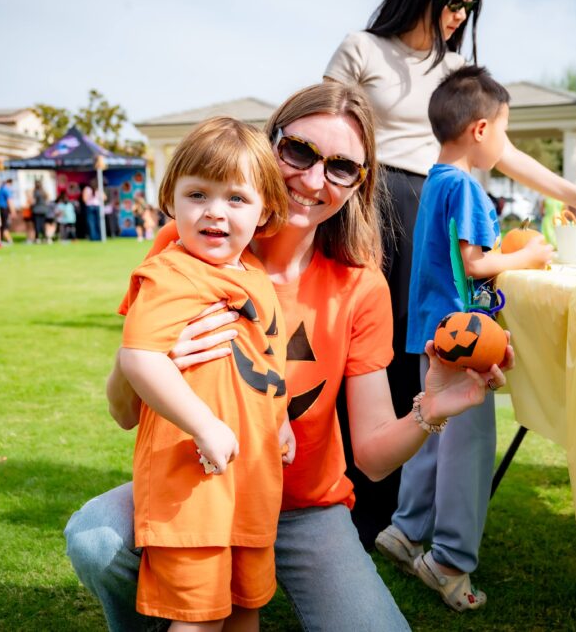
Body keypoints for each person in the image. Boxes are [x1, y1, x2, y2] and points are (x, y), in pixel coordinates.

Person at [64, 82, 511, 632]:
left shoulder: (360, 286)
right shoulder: (190, 246)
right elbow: (124, 411)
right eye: (299, 152)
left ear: (359, 182)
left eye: (342, 167)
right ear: (269, 146)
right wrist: (152, 360)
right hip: (203, 481)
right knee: (97, 540)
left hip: (305, 509)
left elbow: (370, 457)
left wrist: (435, 405)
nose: (314, 180)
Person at [323, 0, 576, 547]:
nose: (461, 13)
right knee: (361, 349)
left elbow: (502, 151)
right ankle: (344, 498)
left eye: (470, 3)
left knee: (420, 355)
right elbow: (326, 124)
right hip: (367, 204)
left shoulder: (456, 71)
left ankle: (395, 514)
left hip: (429, 209)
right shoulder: (360, 48)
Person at [375, 67, 552, 612]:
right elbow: (476, 264)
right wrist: (530, 255)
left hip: (431, 328)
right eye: (505, 130)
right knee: (469, 446)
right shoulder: (469, 188)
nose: (505, 143)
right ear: (480, 130)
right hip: (465, 334)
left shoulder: (434, 182)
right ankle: (448, 559)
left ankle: (405, 530)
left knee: (432, 427)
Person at [118, 117, 291, 629]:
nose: (215, 211)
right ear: (171, 201)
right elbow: (140, 356)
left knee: (245, 609)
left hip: (251, 482)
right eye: (198, 194)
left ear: (266, 212)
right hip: (189, 488)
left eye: (236, 198)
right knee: (198, 619)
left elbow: (266, 363)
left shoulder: (254, 277)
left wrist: (277, 421)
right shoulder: (170, 273)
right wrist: (205, 424)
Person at [0, 178, 13, 245]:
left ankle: (1, 239)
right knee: (5, 225)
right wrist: (13, 211)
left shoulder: (0, 189)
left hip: (0, 208)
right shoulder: (6, 189)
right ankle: (9, 240)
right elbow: (9, 201)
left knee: (2, 224)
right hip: (4, 208)